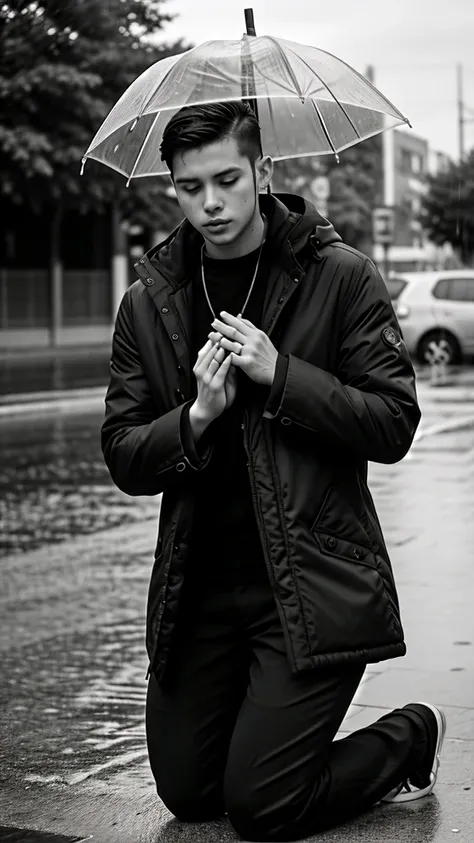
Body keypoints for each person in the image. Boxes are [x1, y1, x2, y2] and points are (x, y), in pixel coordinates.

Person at [101, 101, 446, 841]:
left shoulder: (342, 277)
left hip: (310, 589)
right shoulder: (150, 300)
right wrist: (196, 415)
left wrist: (281, 373)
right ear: (174, 187)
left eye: (228, 178)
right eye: (191, 187)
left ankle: (409, 736)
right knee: (192, 795)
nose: (212, 202)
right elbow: (125, 453)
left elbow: (392, 422)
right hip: (199, 595)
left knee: (264, 805)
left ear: (263, 170)